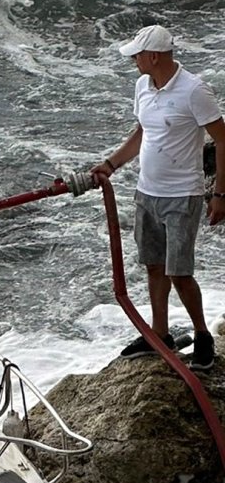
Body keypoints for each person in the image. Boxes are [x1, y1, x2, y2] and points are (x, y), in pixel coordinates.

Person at [92, 25, 225, 370]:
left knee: (179, 272)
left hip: (183, 195)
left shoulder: (194, 91)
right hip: (146, 193)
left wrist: (220, 193)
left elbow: (222, 140)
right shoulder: (142, 86)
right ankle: (160, 334)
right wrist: (111, 164)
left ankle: (202, 336)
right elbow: (142, 133)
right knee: (154, 267)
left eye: (137, 54)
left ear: (153, 56)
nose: (134, 60)